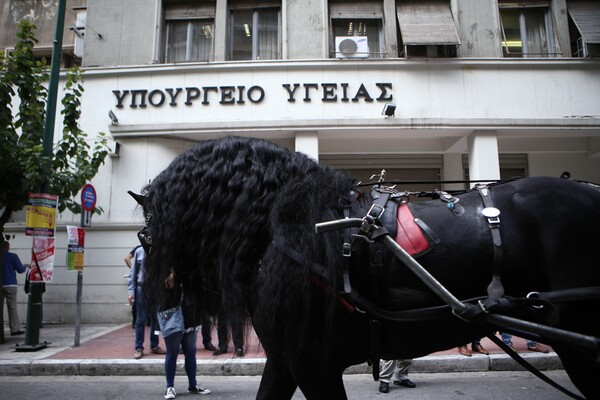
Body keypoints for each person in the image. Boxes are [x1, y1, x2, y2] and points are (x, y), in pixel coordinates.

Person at [162, 270, 211, 398]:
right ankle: (169, 387)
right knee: (172, 353)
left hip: (190, 316)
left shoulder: (190, 269)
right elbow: (165, 288)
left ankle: (193, 385)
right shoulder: (164, 267)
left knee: (190, 353)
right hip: (173, 315)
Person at [128, 246, 165, 359]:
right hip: (142, 288)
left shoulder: (160, 250)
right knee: (141, 319)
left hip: (156, 288)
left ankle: (154, 345)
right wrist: (131, 291)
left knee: (156, 318)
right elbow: (133, 272)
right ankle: (139, 347)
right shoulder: (139, 251)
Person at [2, 240, 26, 336]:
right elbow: (20, 270)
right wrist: (24, 266)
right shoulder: (13, 256)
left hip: (1, 283)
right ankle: (14, 329)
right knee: (12, 308)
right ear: (8, 247)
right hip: (10, 284)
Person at [124, 245, 140, 328]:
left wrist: (134, 270)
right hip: (144, 279)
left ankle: (135, 321)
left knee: (136, 300)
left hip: (139, 279)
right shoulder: (140, 248)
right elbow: (127, 258)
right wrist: (134, 270)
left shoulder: (138, 248)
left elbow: (127, 258)